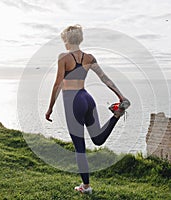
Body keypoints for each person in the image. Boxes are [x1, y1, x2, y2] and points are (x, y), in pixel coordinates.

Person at [45, 24, 130, 194]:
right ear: (80, 39)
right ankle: (116, 116)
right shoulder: (89, 57)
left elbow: (57, 84)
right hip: (87, 98)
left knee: (80, 148)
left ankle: (86, 187)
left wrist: (50, 109)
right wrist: (121, 96)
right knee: (98, 139)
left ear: (67, 40)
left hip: (73, 102)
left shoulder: (63, 57)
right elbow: (104, 78)